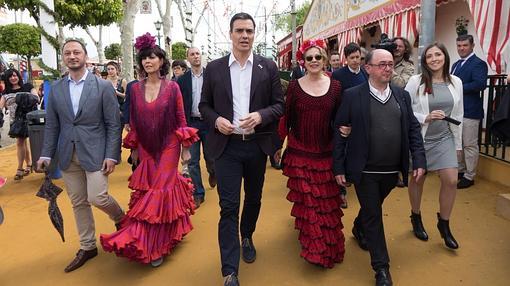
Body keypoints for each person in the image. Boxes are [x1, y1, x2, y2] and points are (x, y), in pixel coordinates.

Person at [199, 12, 284, 286]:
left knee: (254, 198)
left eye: (249, 31)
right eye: (239, 31)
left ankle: (247, 235)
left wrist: (260, 116)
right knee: (228, 207)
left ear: (254, 34)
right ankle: (229, 271)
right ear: (231, 34)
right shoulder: (214, 68)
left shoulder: (268, 67)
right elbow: (204, 106)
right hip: (227, 148)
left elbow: (279, 105)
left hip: (257, 146)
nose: (244, 35)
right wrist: (217, 120)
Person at [100, 33, 198, 267]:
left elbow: (181, 118)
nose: (148, 61)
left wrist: (185, 149)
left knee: (161, 190)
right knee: (151, 191)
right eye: (144, 58)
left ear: (161, 61)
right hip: (145, 146)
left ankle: (155, 246)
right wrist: (133, 148)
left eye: (153, 57)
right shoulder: (134, 89)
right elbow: (133, 120)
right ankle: (160, 235)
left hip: (170, 144)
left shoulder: (173, 87)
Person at [333, 49, 426, 286]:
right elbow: (340, 131)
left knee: (372, 207)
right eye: (382, 64)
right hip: (364, 170)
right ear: (368, 69)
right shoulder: (354, 96)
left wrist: (419, 159)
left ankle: (357, 226)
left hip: (392, 170)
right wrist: (339, 166)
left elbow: (413, 129)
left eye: (390, 64)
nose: (388, 68)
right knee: (374, 214)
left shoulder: (401, 96)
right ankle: (381, 269)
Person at [36, 39, 125, 273]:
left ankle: (121, 217)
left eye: (77, 52)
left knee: (97, 197)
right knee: (78, 202)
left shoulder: (102, 86)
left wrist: (112, 155)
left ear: (85, 55)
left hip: (96, 152)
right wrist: (46, 153)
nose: (72, 56)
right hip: (67, 154)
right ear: (63, 58)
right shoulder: (56, 88)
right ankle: (88, 246)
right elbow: (53, 125)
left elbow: (113, 124)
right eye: (68, 53)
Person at [275, 39, 344, 268]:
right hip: (300, 153)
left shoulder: (336, 87)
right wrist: (279, 145)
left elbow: (340, 118)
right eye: (309, 58)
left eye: (318, 57)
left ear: (324, 59)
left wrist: (345, 128)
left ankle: (326, 247)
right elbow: (287, 117)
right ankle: (314, 250)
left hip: (325, 154)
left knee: (326, 204)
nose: (313, 61)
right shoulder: (294, 86)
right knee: (308, 205)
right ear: (302, 62)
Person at [405, 43, 463, 249]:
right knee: (417, 179)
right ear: (424, 60)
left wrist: (458, 145)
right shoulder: (415, 82)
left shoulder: (456, 82)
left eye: (438, 54)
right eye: (429, 56)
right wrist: (425, 117)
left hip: (444, 138)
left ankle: (444, 224)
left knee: (451, 180)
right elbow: (404, 107)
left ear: (445, 57)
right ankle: (416, 216)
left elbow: (458, 115)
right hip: (420, 139)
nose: (434, 59)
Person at [177, 47, 216, 208]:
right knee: (192, 161)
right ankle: (198, 193)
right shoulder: (182, 80)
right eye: (192, 54)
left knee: (211, 156)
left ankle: (213, 171)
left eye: (198, 53)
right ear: (188, 59)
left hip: (208, 123)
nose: (195, 56)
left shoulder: (212, 76)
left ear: (202, 56)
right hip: (191, 124)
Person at [451, 34, 488, 189]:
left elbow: (479, 84)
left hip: (470, 111)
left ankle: (469, 176)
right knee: (456, 142)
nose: (461, 48)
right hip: (456, 111)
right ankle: (460, 170)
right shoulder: (455, 64)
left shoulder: (478, 63)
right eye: (459, 46)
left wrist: (456, 88)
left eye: (465, 45)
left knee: (469, 144)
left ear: (472, 46)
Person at [0, 68, 38, 180]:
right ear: (7, 79)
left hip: (30, 119)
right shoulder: (5, 92)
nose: (13, 78)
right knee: (21, 142)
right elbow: (1, 105)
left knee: (23, 142)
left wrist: (26, 98)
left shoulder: (28, 87)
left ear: (19, 76)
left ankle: (24, 166)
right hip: (15, 121)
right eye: (10, 76)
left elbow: (37, 98)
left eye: (15, 75)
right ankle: (25, 165)